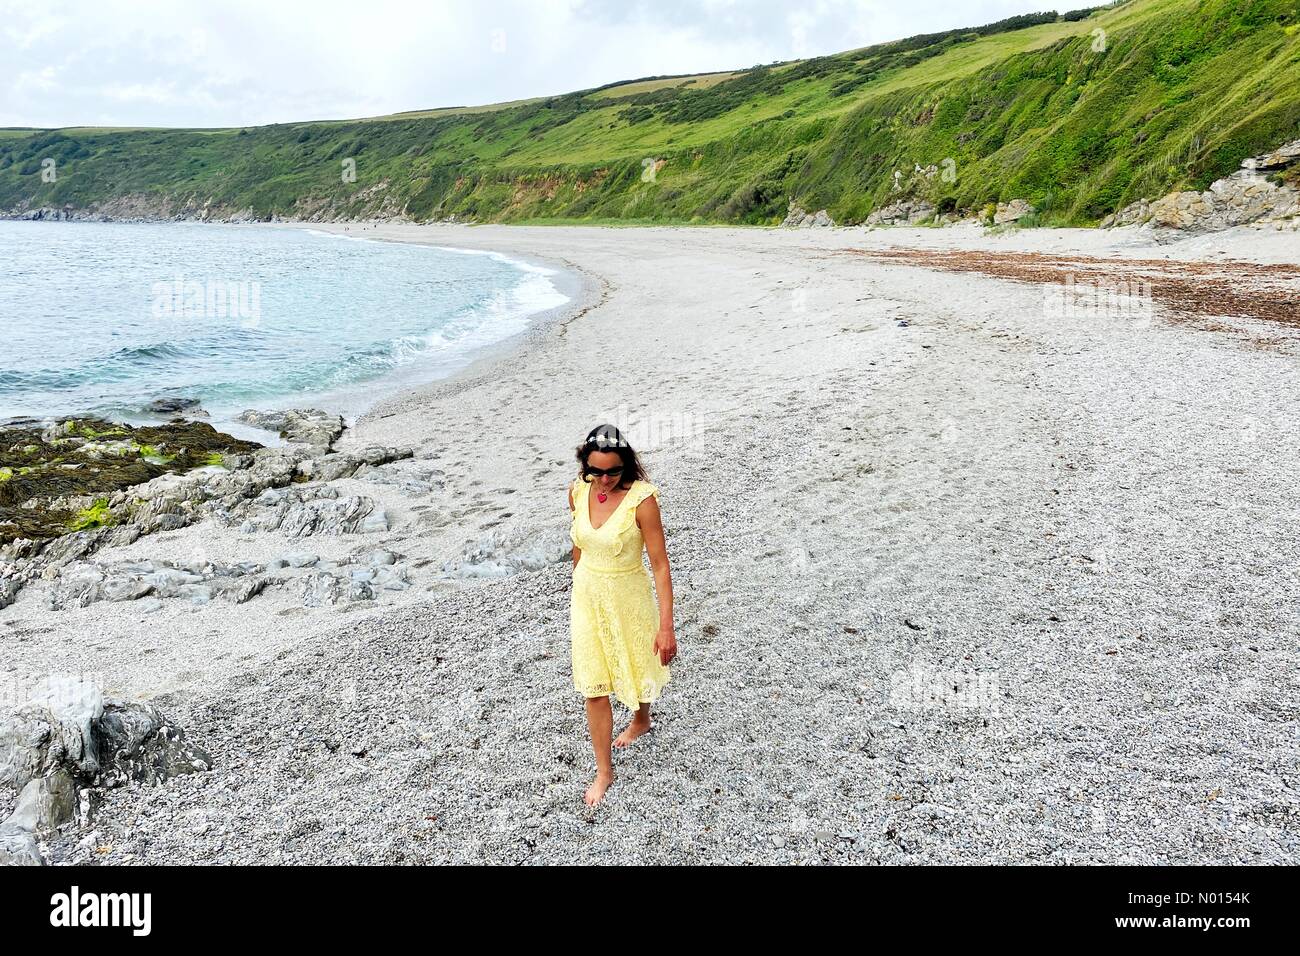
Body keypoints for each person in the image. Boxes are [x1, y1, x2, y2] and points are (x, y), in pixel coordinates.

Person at [567, 423, 678, 806]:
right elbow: (578, 543)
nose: (603, 480)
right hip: (586, 597)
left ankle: (641, 719)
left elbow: (660, 565)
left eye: (612, 471)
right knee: (593, 684)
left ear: (626, 465)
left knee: (635, 663)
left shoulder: (642, 500)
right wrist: (576, 583)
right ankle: (604, 770)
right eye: (595, 471)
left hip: (628, 594)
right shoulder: (578, 491)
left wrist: (666, 625)